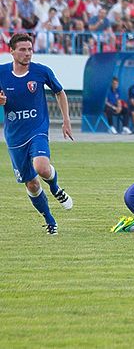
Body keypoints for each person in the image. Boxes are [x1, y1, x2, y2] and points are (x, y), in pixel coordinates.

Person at [0, 33, 73, 235]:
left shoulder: (41, 71)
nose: (27, 53)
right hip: (15, 136)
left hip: (37, 130)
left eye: (30, 49)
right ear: (11, 51)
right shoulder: (2, 73)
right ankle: (49, 219)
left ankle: (56, 188)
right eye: (22, 49)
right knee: (31, 184)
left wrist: (66, 120)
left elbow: (59, 92)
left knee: (41, 167)